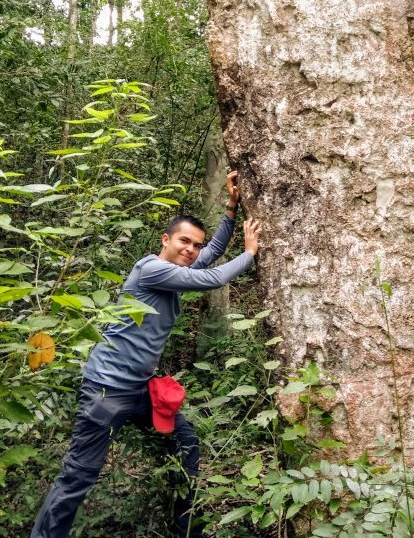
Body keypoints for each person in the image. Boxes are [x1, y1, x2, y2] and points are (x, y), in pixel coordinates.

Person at [30, 170, 261, 538]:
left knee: (185, 443)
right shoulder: (152, 269)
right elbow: (213, 278)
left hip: (139, 390)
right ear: (165, 239)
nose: (191, 250)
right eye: (184, 241)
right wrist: (249, 254)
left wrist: (231, 207)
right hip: (107, 390)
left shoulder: (174, 270)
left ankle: (185, 529)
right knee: (78, 475)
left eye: (195, 245)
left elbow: (213, 254)